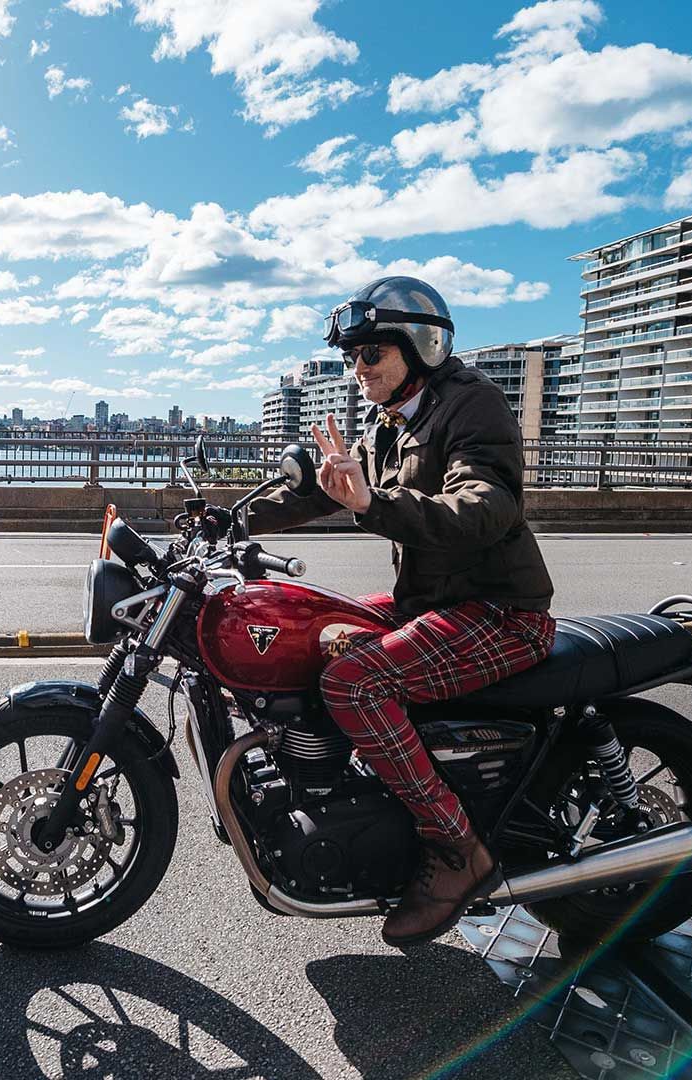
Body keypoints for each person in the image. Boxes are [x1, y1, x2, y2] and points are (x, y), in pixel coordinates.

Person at [245, 276, 557, 946]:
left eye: (370, 355)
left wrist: (372, 505)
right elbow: (330, 493)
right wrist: (233, 516)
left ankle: (454, 846)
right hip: (434, 602)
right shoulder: (390, 425)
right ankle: (368, 783)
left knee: (355, 680)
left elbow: (487, 507)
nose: (358, 370)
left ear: (419, 346)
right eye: (352, 357)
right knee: (315, 626)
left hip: (498, 611)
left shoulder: (472, 407)